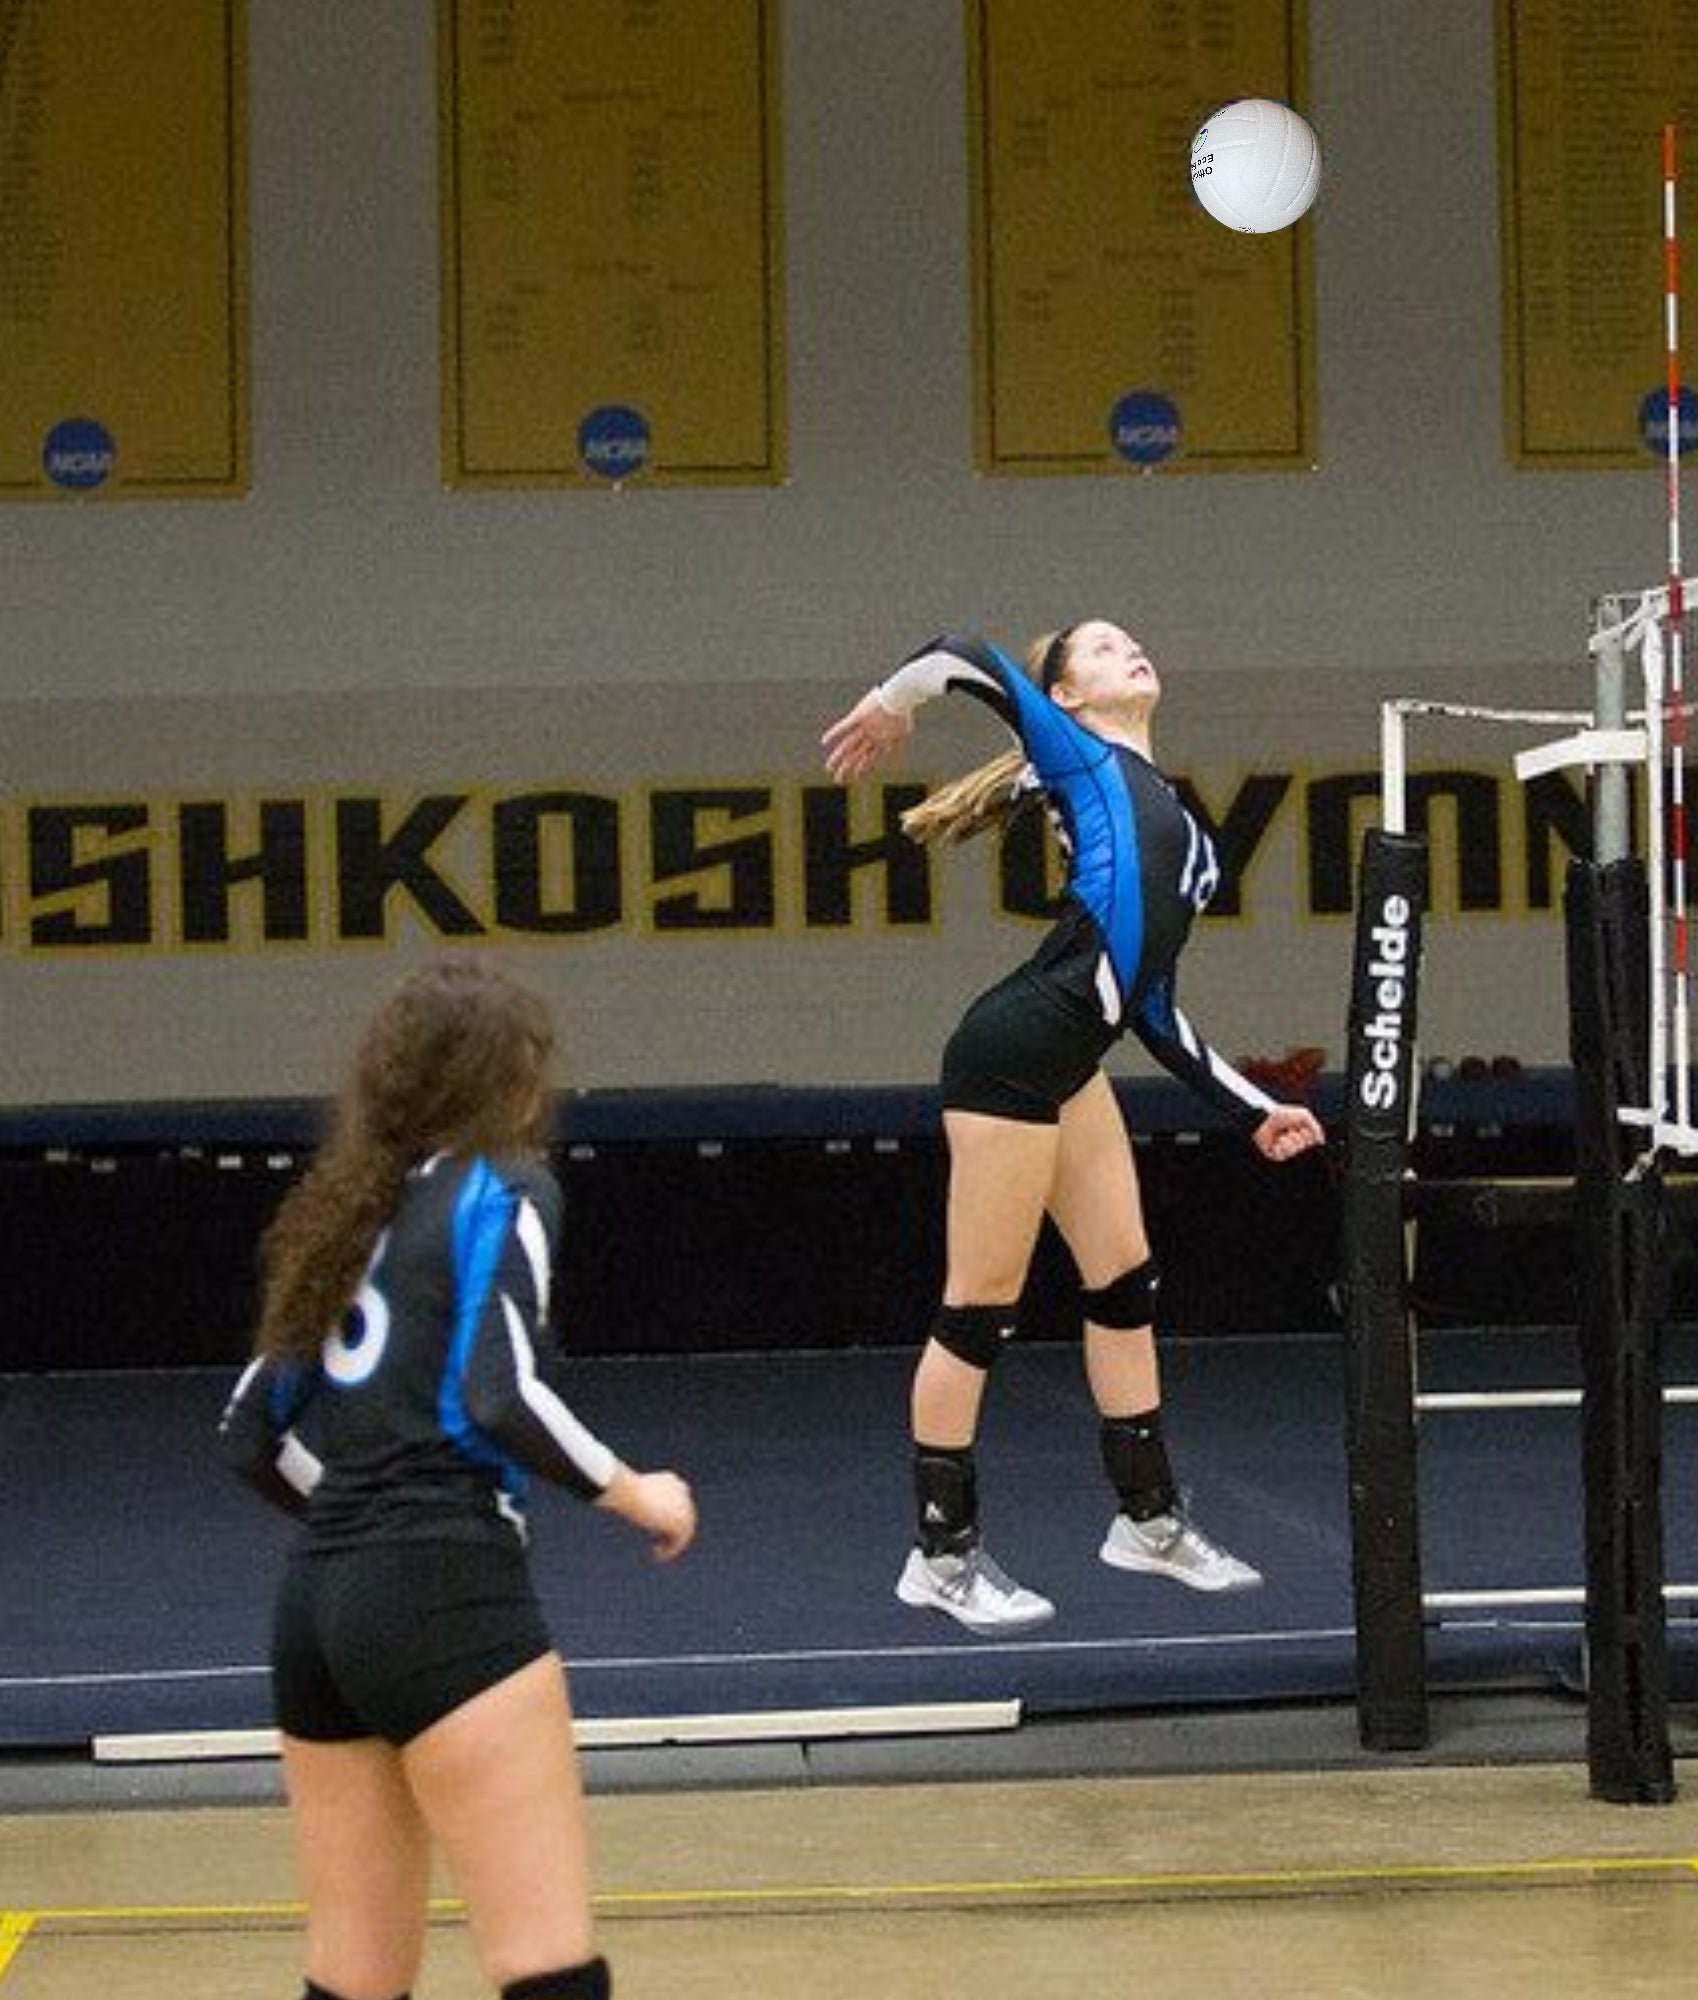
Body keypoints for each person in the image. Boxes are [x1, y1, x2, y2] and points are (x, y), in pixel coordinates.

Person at [821, 622, 1324, 1634]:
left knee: (1125, 1282)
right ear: (1069, 697)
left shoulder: (1174, 821)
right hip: (1010, 1055)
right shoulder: (1079, 755)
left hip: (1071, 1061)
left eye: (1134, 640)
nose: (1129, 650)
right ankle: (941, 1552)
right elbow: (960, 652)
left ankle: (1145, 1519)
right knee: (978, 1309)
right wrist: (893, 701)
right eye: (1098, 649)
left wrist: (1253, 1108)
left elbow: (1150, 1004)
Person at [219, 956, 696, 2000]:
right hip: (443, 1587)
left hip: (316, 1606)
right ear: (508, 1079)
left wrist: (357, 1520)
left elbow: (249, 1431)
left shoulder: (350, 1211)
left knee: (352, 1977)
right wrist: (635, 1488)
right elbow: (499, 1393)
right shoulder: (507, 1188)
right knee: (547, 1970)